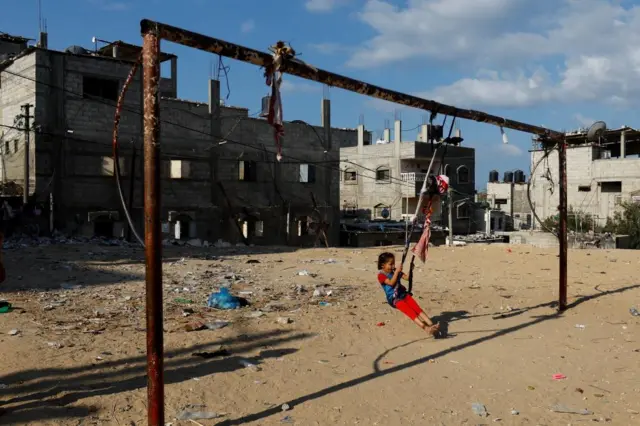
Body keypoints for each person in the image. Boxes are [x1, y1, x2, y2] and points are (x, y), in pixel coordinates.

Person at [377, 252, 439, 335]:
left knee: (417, 309)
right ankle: (426, 328)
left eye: (393, 264)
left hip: (403, 294)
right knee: (410, 312)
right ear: (382, 265)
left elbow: (407, 278)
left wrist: (410, 269)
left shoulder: (395, 271)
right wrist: (396, 272)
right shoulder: (381, 275)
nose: (392, 266)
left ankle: (431, 324)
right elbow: (391, 283)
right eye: (390, 264)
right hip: (394, 299)